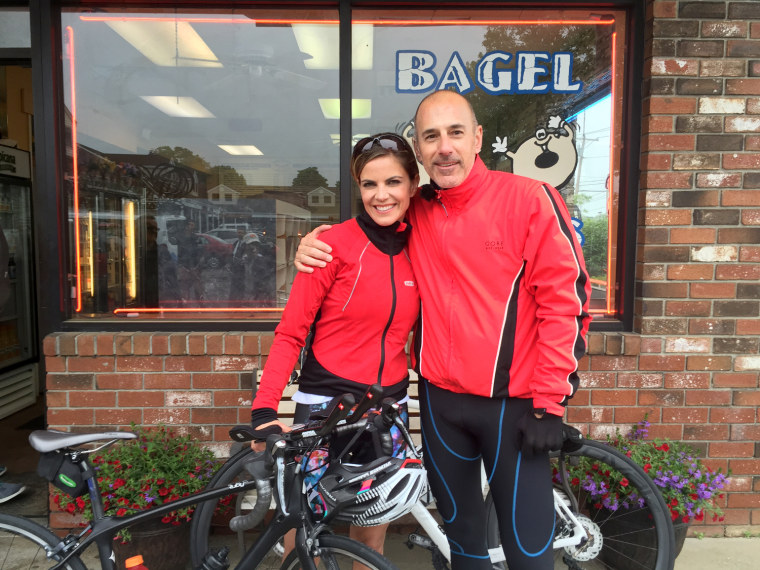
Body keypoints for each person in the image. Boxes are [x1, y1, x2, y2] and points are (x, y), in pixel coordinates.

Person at [295, 90, 591, 569]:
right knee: (463, 549)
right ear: (419, 147)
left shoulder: (530, 199)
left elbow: (566, 304)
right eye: (431, 137)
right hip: (440, 405)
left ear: (477, 138)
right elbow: (373, 215)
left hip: (513, 410)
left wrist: (550, 404)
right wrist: (315, 243)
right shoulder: (419, 207)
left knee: (528, 554)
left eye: (455, 132)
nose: (444, 147)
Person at [249, 132, 421, 557]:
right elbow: (291, 332)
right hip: (326, 406)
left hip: (387, 410)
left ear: (413, 185)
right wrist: (265, 411)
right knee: (304, 526)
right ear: (358, 188)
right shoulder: (329, 247)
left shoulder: (424, 246)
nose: (381, 195)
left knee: (373, 531)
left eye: (393, 182)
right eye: (369, 184)